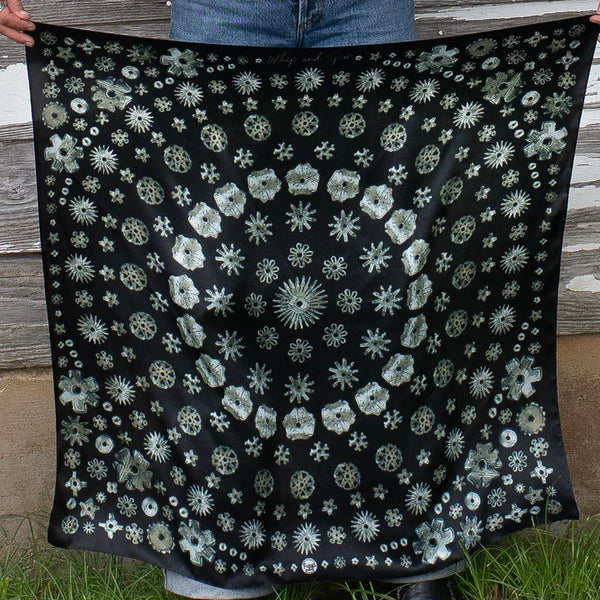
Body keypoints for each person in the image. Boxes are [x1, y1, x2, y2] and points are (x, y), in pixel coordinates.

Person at [1, 1, 599, 600]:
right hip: (223, 9)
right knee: (212, 284)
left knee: (399, 275)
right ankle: (219, 570)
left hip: (368, 7)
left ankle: (417, 558)